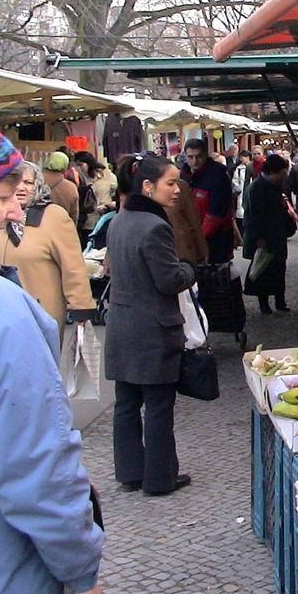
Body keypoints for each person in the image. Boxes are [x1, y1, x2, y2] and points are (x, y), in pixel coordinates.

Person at [0, 128, 105, 594]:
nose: (14, 211)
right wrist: (82, 569)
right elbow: (37, 466)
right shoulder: (3, 315)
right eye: (1, 198)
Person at [105, 153, 196, 497]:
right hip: (152, 331)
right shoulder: (155, 226)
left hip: (122, 324)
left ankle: (130, 472)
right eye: (170, 183)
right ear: (147, 186)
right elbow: (169, 280)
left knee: (126, 403)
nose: (177, 190)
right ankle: (159, 478)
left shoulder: (119, 220)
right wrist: (189, 268)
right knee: (158, 406)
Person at [0, 161, 95, 340]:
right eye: (16, 182)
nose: (21, 188)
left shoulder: (53, 216)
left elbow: (73, 266)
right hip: (2, 311)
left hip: (41, 313)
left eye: (28, 183)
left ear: (38, 185)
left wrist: (81, 308)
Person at [242, 154, 297, 314]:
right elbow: (254, 216)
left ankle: (280, 301)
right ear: (273, 171)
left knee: (279, 268)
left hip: (277, 235)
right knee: (263, 270)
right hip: (265, 237)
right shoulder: (257, 188)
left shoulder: (275, 184)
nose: (284, 175)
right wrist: (259, 238)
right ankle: (264, 304)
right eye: (282, 172)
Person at [180, 138, 234, 263]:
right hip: (194, 234)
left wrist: (199, 237)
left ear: (205, 155)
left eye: (198, 156)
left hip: (216, 238)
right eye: (190, 157)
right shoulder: (184, 174)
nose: (195, 161)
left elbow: (217, 213)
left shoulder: (218, 175)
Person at [167, 174, 208, 266]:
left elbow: (194, 222)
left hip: (181, 255)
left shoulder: (180, 187)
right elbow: (194, 222)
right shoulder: (180, 187)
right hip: (181, 256)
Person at [74, 151, 117, 236]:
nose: (79, 168)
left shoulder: (106, 174)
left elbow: (115, 190)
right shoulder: (79, 178)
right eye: (77, 165)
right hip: (87, 220)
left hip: (105, 215)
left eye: (81, 165)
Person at [43, 150, 81, 225]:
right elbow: (73, 215)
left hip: (37, 227)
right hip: (60, 227)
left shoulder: (35, 181)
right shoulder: (71, 187)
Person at [231, 149, 252, 235]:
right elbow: (235, 181)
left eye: (243, 157)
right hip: (241, 194)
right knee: (241, 214)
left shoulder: (252, 167)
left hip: (250, 192)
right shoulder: (238, 169)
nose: (241, 159)